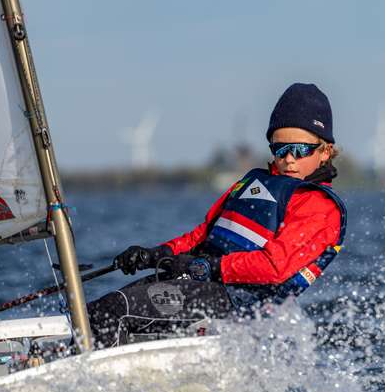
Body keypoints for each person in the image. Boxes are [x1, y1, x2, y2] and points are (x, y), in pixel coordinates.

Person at [88, 83, 347, 347]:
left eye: (301, 149)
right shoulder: (254, 182)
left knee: (113, 311)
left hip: (234, 302)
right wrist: (158, 253)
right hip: (199, 282)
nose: (289, 159)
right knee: (92, 313)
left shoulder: (320, 206)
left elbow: (274, 267)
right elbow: (203, 234)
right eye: (280, 149)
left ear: (325, 151)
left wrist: (206, 267)